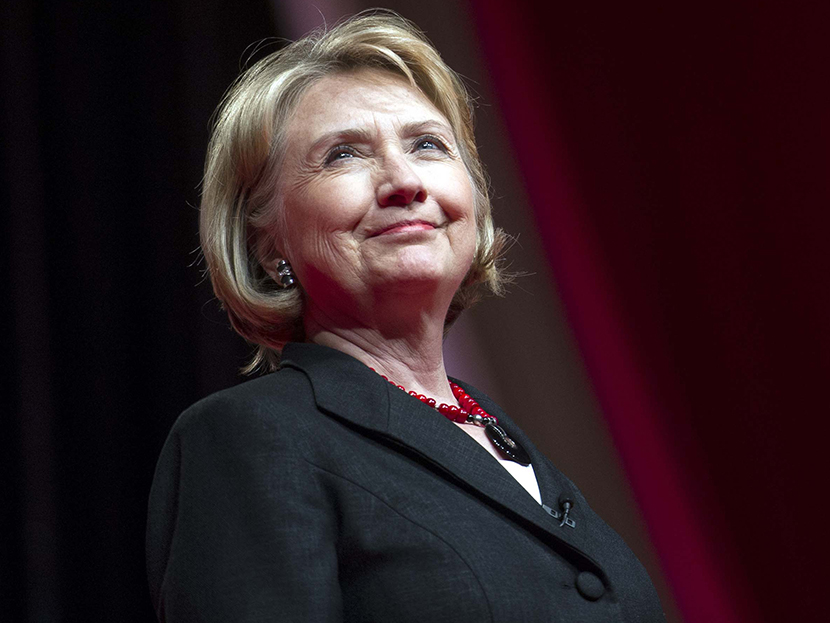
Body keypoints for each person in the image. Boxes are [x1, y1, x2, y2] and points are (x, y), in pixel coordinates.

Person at [146, 11, 666, 622]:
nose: (404, 181)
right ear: (268, 243)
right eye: (343, 156)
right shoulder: (248, 439)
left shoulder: (503, 438)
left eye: (427, 145)